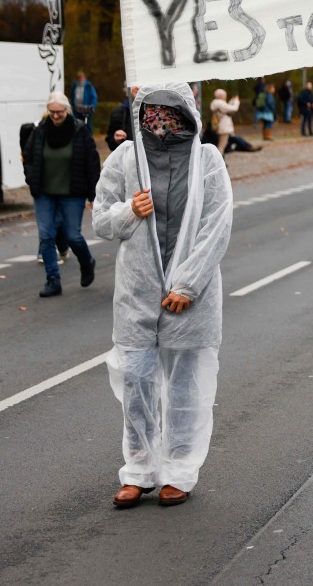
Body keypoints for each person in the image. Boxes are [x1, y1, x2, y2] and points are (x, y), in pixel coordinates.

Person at [92, 82, 233, 509]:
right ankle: (139, 470)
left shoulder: (207, 160)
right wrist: (127, 211)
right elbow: (100, 219)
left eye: (170, 114)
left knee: (188, 385)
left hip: (191, 297)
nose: (160, 123)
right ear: (140, 115)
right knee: (135, 378)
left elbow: (216, 224)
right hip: (137, 292)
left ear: (187, 114)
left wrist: (188, 284)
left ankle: (179, 470)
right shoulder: (124, 159)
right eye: (152, 114)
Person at [23, 92, 100, 297]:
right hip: (44, 193)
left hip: (72, 192)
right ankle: (53, 280)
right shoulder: (40, 131)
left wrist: (94, 195)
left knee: (73, 236)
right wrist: (31, 179)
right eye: (52, 112)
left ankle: (87, 261)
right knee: (46, 236)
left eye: (59, 112)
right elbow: (28, 156)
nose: (55, 116)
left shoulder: (80, 131)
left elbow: (92, 163)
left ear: (67, 110)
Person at [209, 88, 240, 159]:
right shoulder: (220, 103)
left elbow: (227, 107)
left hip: (223, 127)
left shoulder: (218, 103)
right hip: (224, 127)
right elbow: (233, 108)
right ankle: (217, 161)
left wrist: (233, 100)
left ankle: (221, 160)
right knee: (222, 145)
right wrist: (236, 100)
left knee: (223, 144)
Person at [106, 86, 138, 153]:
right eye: (134, 83)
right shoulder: (118, 112)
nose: (138, 86)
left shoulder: (160, 112)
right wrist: (116, 139)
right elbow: (111, 144)